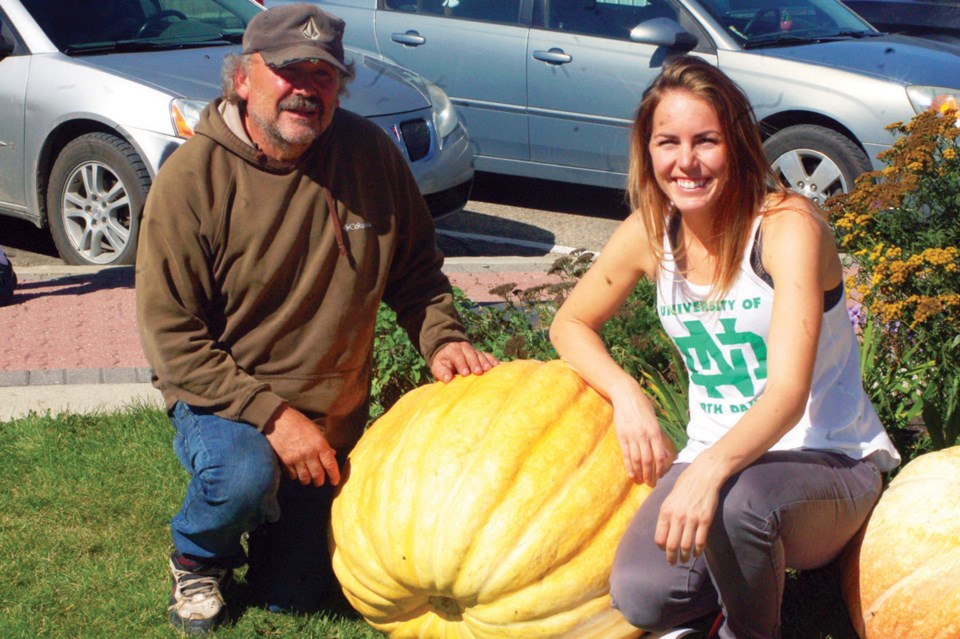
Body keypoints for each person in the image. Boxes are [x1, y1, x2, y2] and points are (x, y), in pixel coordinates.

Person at [135, 4, 497, 634]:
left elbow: (415, 272)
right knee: (243, 476)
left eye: (323, 75)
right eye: (287, 71)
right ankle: (199, 555)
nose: (306, 89)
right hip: (224, 401)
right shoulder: (191, 179)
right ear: (243, 78)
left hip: (332, 415)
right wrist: (275, 419)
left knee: (294, 596)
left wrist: (441, 340)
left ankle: (278, 530)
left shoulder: (370, 157)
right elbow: (174, 340)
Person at [549, 56, 900, 639]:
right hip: (715, 459)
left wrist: (706, 472)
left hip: (829, 461)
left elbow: (788, 394)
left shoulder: (788, 227)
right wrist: (628, 395)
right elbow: (570, 323)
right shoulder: (649, 230)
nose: (685, 162)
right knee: (640, 596)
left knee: (743, 504)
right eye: (668, 142)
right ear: (648, 149)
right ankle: (732, 584)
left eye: (705, 141)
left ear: (737, 144)